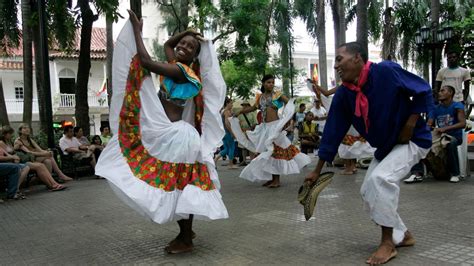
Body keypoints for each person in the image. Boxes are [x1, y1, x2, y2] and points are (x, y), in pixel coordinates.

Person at [95, 10, 228, 254]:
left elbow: (145, 62)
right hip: (170, 134)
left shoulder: (184, 72)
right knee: (177, 186)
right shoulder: (175, 64)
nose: (183, 47)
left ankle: (186, 239)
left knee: (178, 187)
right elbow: (169, 44)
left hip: (177, 137)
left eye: (190, 47)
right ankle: (185, 233)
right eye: (183, 44)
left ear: (195, 57)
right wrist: (188, 33)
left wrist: (137, 30)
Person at [305, 42, 434, 265]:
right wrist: (316, 171)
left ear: (357, 58)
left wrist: (411, 123)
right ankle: (402, 234)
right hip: (386, 148)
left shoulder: (385, 71)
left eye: (339, 59)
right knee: (367, 190)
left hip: (413, 140)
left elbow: (423, 90)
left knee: (380, 179)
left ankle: (388, 243)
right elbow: (332, 134)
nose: (336, 66)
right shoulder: (345, 95)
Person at [230, 74, 311, 188]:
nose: (271, 84)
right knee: (267, 153)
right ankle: (271, 178)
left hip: (275, 127)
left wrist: (286, 118)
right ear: (263, 83)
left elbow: (290, 103)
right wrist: (239, 112)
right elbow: (253, 108)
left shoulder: (277, 95)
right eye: (268, 82)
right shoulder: (260, 97)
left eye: (273, 82)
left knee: (274, 152)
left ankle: (276, 180)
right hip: (265, 127)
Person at [0, 126, 66, 193]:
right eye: (10, 133)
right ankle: (52, 184)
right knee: (39, 165)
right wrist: (14, 156)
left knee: (43, 164)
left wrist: (44, 152)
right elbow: (8, 154)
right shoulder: (3, 143)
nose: (11, 135)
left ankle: (53, 183)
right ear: (4, 134)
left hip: (20, 161)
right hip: (18, 162)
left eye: (11, 133)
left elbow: (14, 153)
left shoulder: (10, 142)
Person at [214, 97, 238, 169]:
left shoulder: (223, 111)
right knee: (231, 147)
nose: (232, 105)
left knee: (226, 149)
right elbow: (227, 123)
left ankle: (214, 160)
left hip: (223, 132)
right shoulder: (226, 112)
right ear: (227, 103)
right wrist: (232, 133)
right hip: (227, 132)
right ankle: (230, 165)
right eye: (231, 103)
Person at [237, 101, 257, 166]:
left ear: (248, 106)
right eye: (243, 105)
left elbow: (255, 123)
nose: (244, 107)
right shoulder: (240, 115)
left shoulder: (252, 113)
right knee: (244, 147)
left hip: (251, 132)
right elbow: (238, 123)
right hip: (243, 132)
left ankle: (252, 160)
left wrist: (250, 129)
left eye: (246, 105)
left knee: (251, 146)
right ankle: (244, 160)